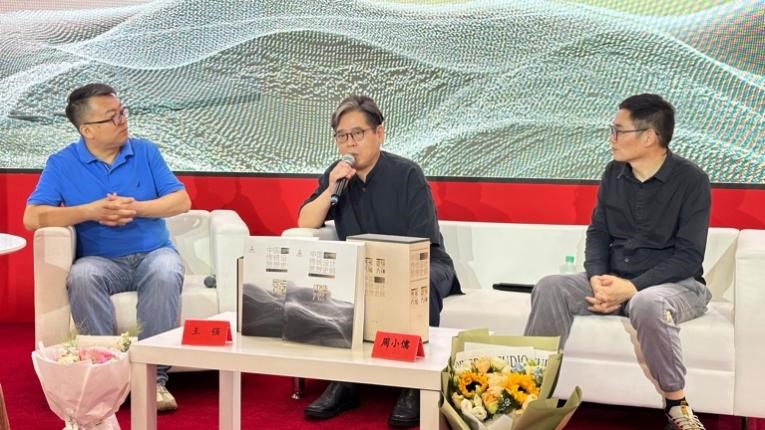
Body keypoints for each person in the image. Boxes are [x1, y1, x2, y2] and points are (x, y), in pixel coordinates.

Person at [524, 94, 711, 430]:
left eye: (618, 130)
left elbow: (688, 257)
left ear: (649, 136)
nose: (611, 138)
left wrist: (631, 288)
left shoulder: (691, 180)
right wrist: (597, 278)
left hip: (675, 285)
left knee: (648, 302)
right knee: (550, 287)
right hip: (615, 278)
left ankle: (676, 404)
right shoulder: (614, 173)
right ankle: (530, 394)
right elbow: (598, 233)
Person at [23, 83, 191, 412]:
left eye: (122, 112)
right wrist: (90, 211)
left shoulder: (145, 152)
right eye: (112, 117)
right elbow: (32, 217)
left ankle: (153, 380)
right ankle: (104, 376)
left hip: (153, 253)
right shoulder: (62, 163)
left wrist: (135, 208)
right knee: (82, 276)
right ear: (87, 129)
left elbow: (181, 200)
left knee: (166, 269)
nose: (122, 121)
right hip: (100, 261)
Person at [298, 95, 461, 427]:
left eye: (357, 134)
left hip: (423, 263)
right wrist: (331, 187)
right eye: (342, 136)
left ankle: (414, 384)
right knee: (335, 282)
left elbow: (421, 242)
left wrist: (390, 272)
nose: (350, 143)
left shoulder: (407, 174)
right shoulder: (337, 177)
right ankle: (344, 381)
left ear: (379, 133)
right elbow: (305, 221)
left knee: (420, 282)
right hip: (366, 266)